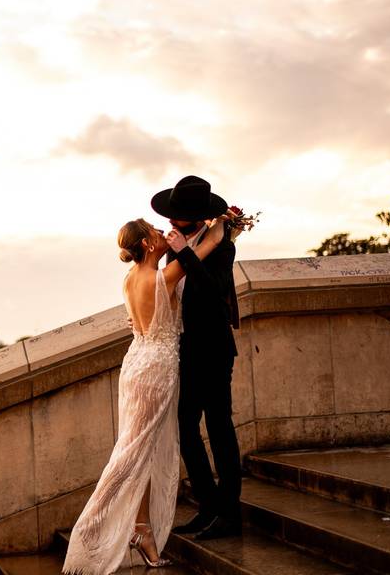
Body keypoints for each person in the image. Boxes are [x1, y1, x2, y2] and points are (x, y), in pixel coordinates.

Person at [62, 213, 226, 574]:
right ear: (149, 244)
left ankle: (141, 531)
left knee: (139, 450)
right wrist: (223, 222)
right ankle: (91, 531)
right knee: (133, 453)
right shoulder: (164, 276)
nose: (163, 232)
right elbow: (209, 245)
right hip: (155, 369)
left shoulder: (129, 279)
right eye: (155, 231)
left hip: (135, 362)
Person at [151, 175, 242, 541]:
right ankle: (207, 506)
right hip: (186, 349)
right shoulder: (179, 246)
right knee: (186, 427)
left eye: (178, 216)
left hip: (215, 349)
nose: (171, 222)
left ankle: (229, 512)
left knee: (220, 427)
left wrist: (185, 252)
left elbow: (214, 289)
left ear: (197, 215)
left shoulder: (222, 247)